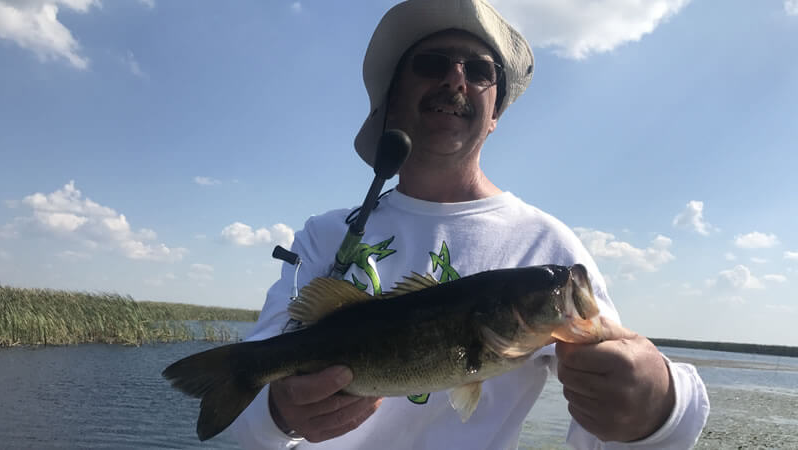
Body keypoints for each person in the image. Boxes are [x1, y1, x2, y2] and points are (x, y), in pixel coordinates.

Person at [231, 0, 710, 448]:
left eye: (480, 71)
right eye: (432, 62)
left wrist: (661, 406)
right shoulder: (326, 235)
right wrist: (278, 413)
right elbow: (244, 422)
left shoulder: (548, 248)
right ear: (392, 100)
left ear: (496, 112)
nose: (456, 79)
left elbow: (602, 432)